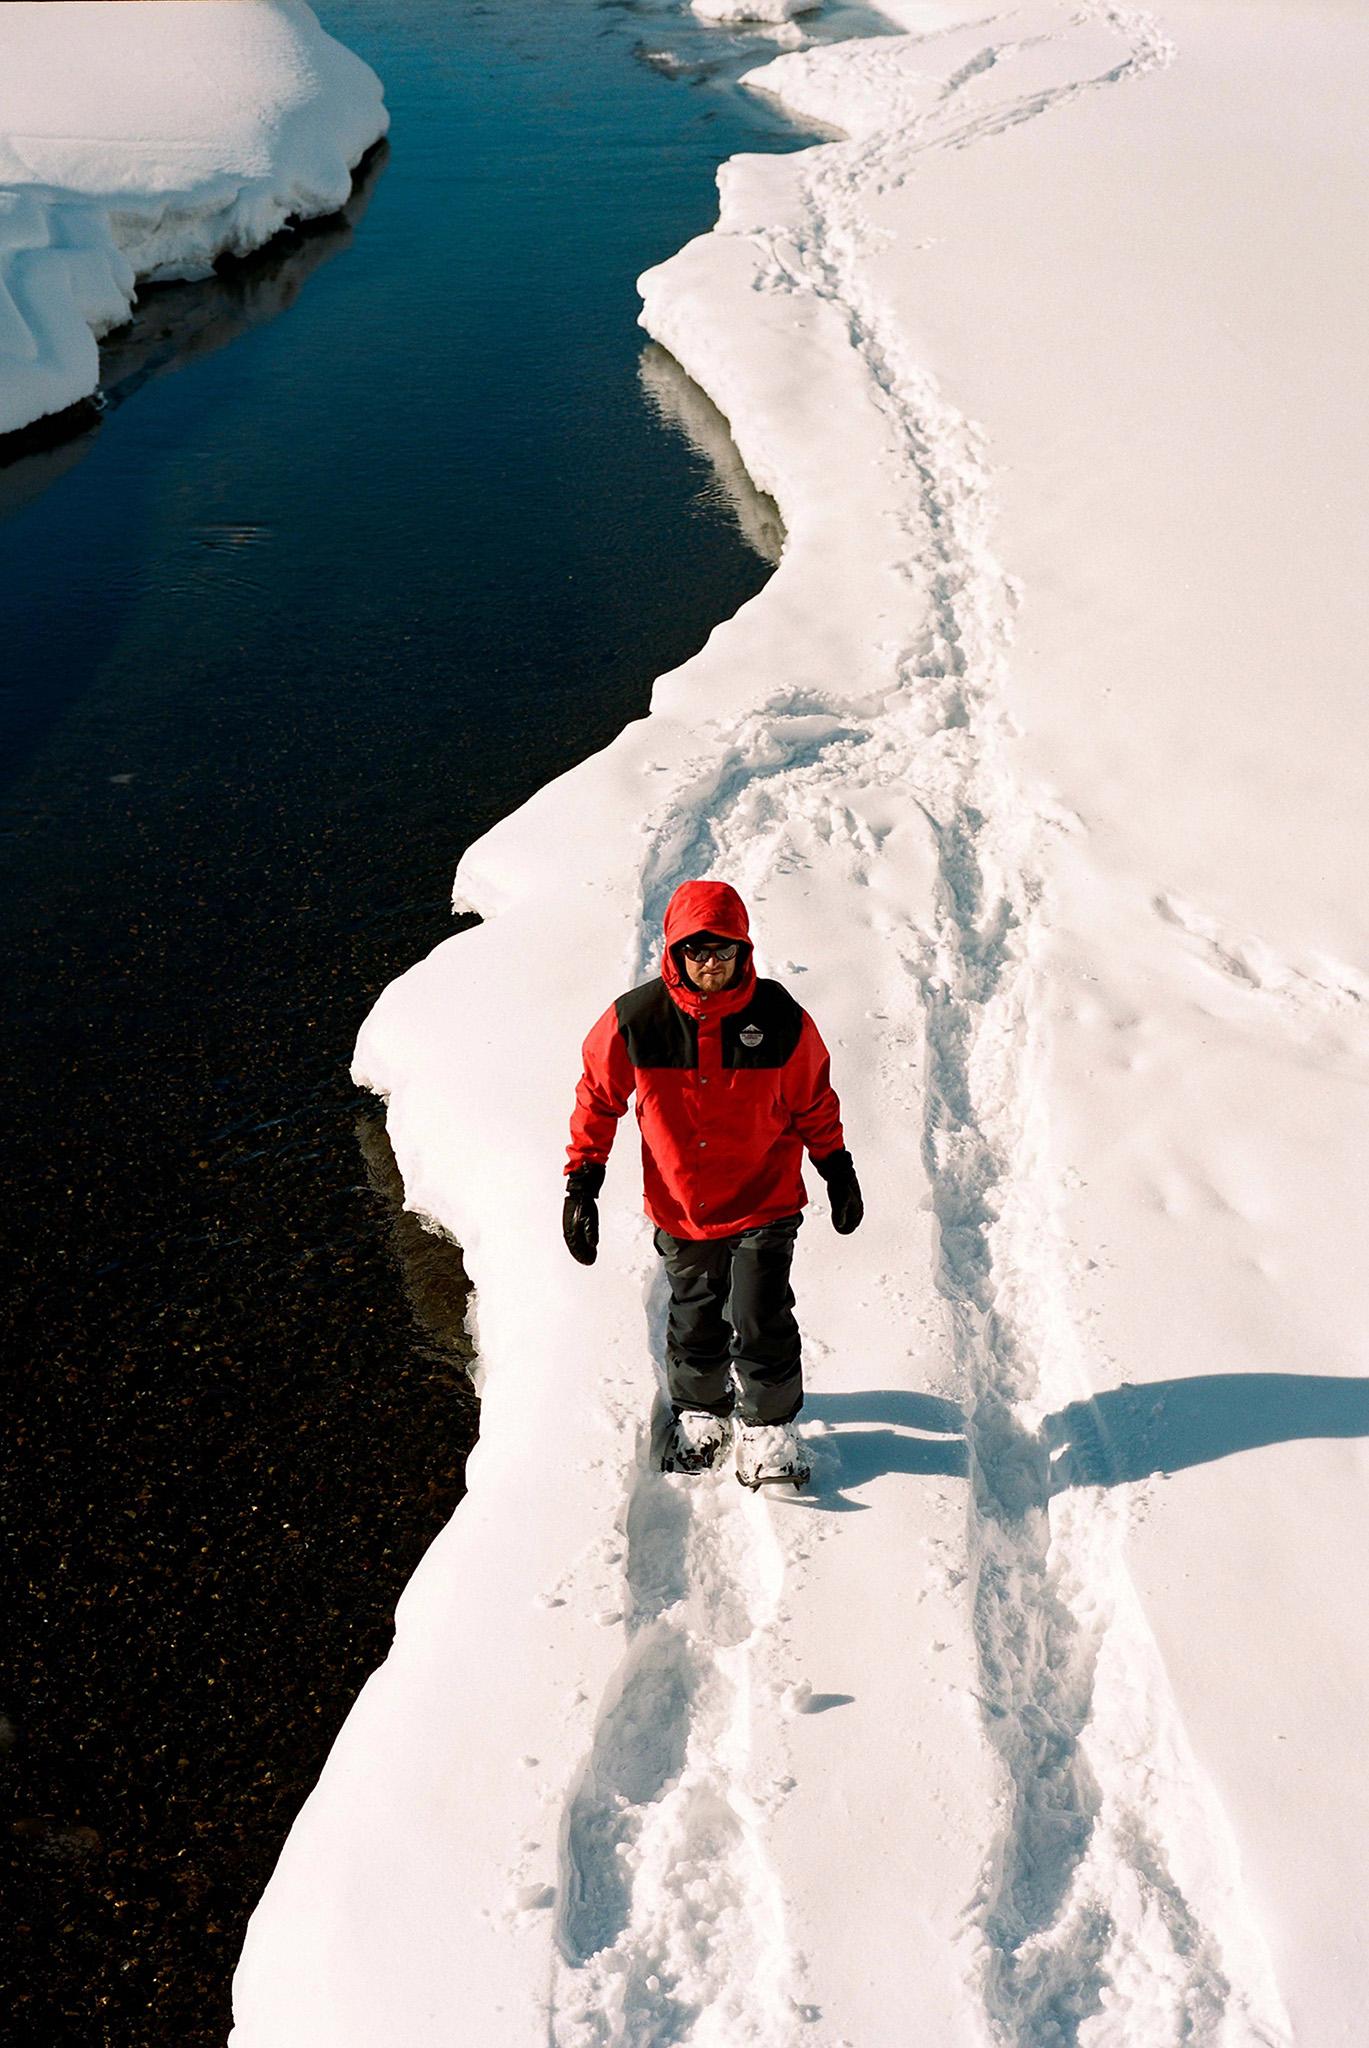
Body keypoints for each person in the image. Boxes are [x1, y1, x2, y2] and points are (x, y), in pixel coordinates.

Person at [562, 878, 863, 1486]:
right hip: (683, 1204)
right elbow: (598, 1098)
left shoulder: (779, 1019)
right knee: (696, 1313)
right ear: (675, 952)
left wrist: (837, 1166)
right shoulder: (635, 1020)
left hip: (765, 1196)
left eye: (722, 950)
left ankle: (770, 1427)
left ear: (742, 950)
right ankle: (702, 1412)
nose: (710, 964)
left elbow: (813, 1100)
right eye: (696, 951)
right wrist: (582, 1181)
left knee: (760, 1313)